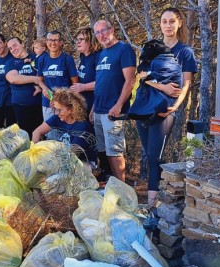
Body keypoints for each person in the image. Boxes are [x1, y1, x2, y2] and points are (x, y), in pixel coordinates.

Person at [136, 7, 198, 204]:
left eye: (172, 21)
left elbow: (186, 83)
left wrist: (175, 106)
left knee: (155, 155)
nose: (168, 25)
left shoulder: (185, 52)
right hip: (144, 107)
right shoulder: (151, 47)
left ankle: (152, 203)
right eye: (164, 21)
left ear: (179, 23)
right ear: (160, 24)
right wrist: (162, 86)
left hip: (165, 109)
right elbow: (142, 76)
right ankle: (156, 200)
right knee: (149, 154)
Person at [90, 19, 136, 182]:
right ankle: (114, 186)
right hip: (99, 109)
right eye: (97, 33)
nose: (101, 35)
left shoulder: (123, 50)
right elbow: (102, 82)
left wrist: (119, 105)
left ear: (113, 29)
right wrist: (94, 107)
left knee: (115, 152)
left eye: (104, 30)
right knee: (105, 151)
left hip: (113, 111)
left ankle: (122, 189)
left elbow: (130, 80)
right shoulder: (102, 54)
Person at [32, 88, 97, 165]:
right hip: (63, 158)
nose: (56, 113)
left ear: (72, 109)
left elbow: (73, 154)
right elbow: (37, 132)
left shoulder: (83, 127)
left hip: (84, 162)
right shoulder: (57, 118)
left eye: (59, 110)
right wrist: (34, 150)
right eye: (55, 109)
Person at [69, 27, 102, 173]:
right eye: (76, 40)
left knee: (96, 141)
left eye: (81, 39)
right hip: (83, 106)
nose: (77, 42)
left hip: (95, 105)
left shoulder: (98, 57)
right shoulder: (83, 57)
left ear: (91, 40)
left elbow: (102, 83)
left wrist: (83, 87)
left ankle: (100, 169)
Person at [5, 37, 44, 137]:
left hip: (39, 104)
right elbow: (13, 78)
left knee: (40, 135)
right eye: (10, 48)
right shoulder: (11, 62)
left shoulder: (37, 57)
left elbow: (46, 75)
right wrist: (35, 80)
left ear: (22, 44)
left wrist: (39, 84)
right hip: (20, 105)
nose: (13, 49)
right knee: (25, 135)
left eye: (15, 45)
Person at [37, 31, 79, 121]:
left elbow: (75, 84)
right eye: (50, 40)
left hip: (64, 104)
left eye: (55, 40)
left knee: (65, 133)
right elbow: (39, 80)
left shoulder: (67, 59)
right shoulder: (42, 59)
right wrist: (44, 88)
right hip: (48, 103)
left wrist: (63, 101)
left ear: (61, 42)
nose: (53, 43)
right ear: (47, 42)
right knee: (50, 133)